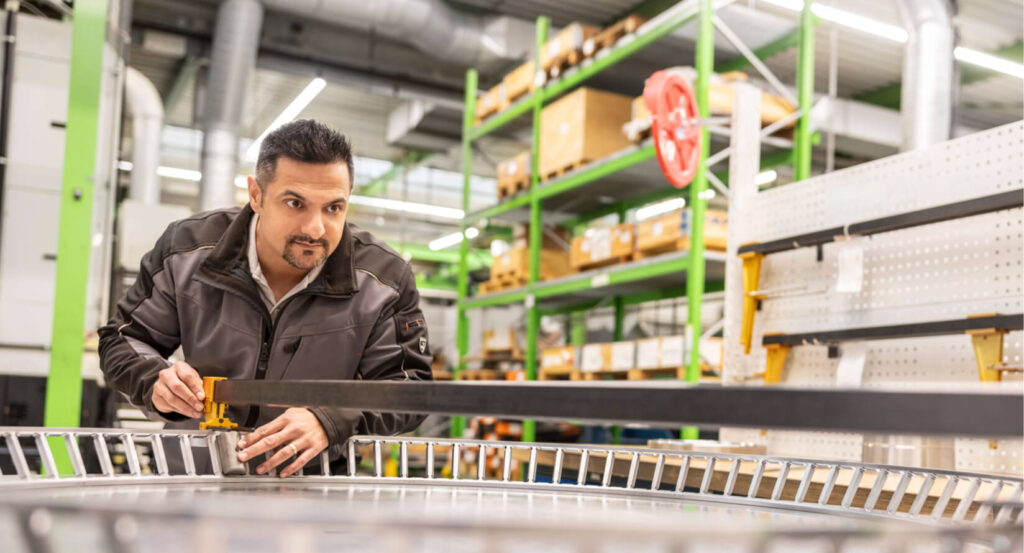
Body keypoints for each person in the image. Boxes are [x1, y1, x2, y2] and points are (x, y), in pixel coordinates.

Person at [98, 119, 432, 477]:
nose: (315, 229)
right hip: (193, 478)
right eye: (295, 203)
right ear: (256, 195)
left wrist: (330, 419)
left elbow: (409, 387)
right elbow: (122, 340)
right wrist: (155, 380)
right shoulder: (187, 249)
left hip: (310, 491)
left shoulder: (384, 279)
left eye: (333, 208)